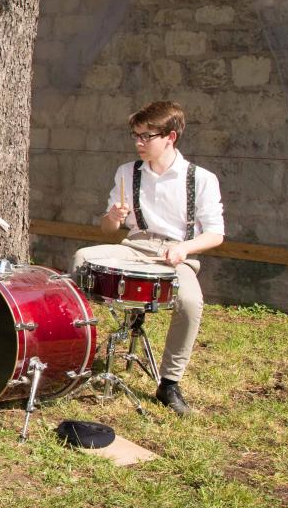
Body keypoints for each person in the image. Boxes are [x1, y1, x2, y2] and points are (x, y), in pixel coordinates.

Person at [71, 100, 225, 416]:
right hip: (134, 247)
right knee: (80, 258)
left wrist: (184, 249)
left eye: (146, 136)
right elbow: (108, 229)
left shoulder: (201, 178)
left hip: (176, 255)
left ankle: (169, 383)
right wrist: (113, 216)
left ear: (170, 136)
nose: (139, 142)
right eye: (135, 135)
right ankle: (75, 353)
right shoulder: (127, 172)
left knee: (192, 303)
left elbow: (216, 234)